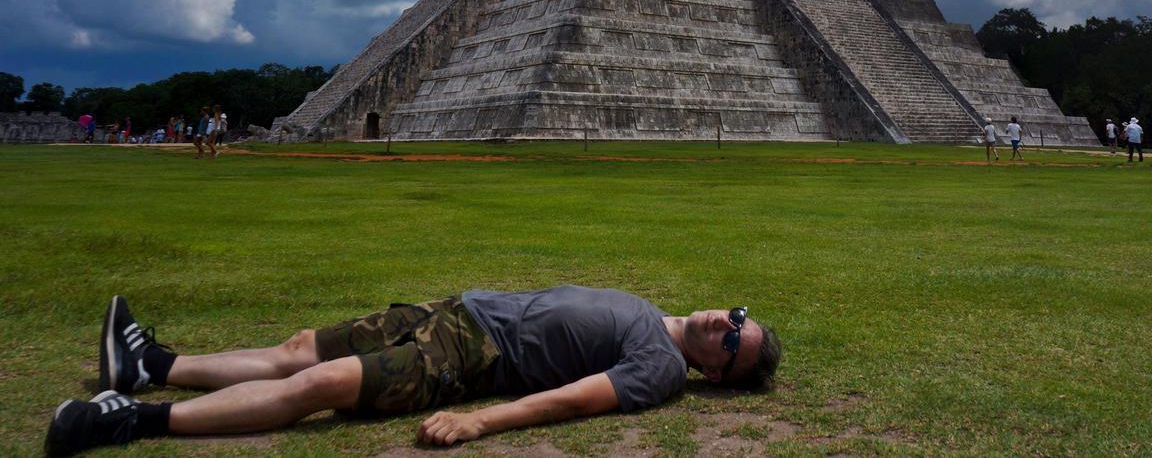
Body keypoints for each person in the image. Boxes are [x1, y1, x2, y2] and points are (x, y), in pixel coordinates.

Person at [45, 286, 781, 456]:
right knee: (304, 346)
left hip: (474, 355)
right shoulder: (652, 311)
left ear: (713, 377)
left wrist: (480, 418)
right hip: (458, 310)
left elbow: (572, 399)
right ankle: (152, 364)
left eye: (732, 346)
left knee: (321, 386)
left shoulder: (658, 367)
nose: (728, 326)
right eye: (739, 319)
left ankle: (131, 419)